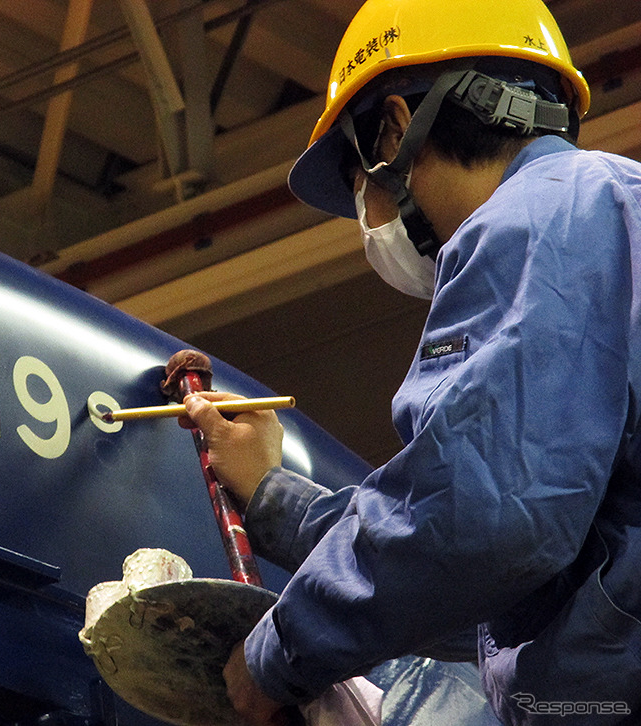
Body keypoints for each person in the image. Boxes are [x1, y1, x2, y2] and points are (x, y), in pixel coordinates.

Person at [179, 0, 641, 724]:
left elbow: (481, 524)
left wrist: (278, 652)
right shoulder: (607, 210)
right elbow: (497, 584)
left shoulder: (535, 221)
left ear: (394, 130)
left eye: (359, 184)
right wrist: (277, 500)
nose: (369, 218)